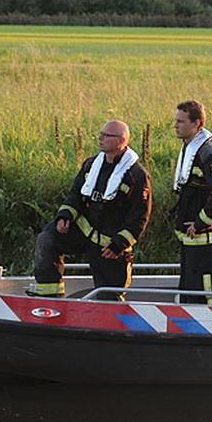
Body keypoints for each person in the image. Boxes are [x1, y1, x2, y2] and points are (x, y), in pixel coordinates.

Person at [32, 120, 151, 297]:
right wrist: (65, 216)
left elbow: (139, 216)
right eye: (100, 134)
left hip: (110, 246)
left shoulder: (137, 176)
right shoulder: (91, 164)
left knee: (109, 297)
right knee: (47, 239)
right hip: (83, 233)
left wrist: (119, 244)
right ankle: (49, 297)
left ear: (121, 141)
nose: (100, 138)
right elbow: (75, 194)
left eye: (106, 135)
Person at [172, 100, 212, 304]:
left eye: (181, 121)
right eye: (176, 120)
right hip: (193, 240)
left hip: (205, 241)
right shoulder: (191, 149)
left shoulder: (207, 153)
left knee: (206, 295)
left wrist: (201, 222)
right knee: (190, 295)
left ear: (197, 123)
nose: (175, 125)